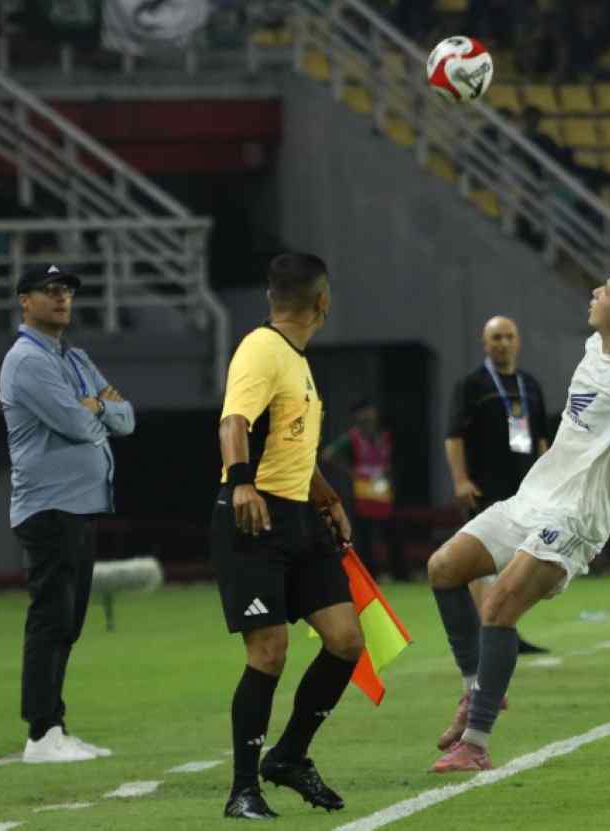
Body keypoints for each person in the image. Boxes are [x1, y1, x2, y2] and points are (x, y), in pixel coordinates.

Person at [427, 268, 610, 772]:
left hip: (575, 515)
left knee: (497, 607)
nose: (594, 292)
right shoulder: (593, 347)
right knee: (443, 568)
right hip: (531, 499)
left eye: (604, 290)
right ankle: (475, 687)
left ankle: (475, 743)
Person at [211, 252, 364, 819]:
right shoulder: (261, 348)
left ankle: (290, 757)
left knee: (346, 640)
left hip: (299, 515)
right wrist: (241, 483)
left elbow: (294, 445)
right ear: (323, 302)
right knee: (269, 652)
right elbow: (234, 422)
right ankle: (242, 790)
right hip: (253, 519)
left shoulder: (296, 359)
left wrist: (328, 497)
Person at [0, 264, 136, 764]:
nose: (62, 298)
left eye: (67, 292)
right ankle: (41, 735)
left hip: (76, 507)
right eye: (50, 290)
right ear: (25, 301)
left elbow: (126, 418)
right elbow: (77, 425)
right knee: (51, 620)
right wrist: (97, 408)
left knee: (67, 622)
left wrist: (95, 406)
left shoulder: (73, 357)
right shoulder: (26, 360)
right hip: (49, 506)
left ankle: (53, 727)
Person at [446, 315, 551, 655]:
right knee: (482, 562)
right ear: (485, 343)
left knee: (517, 561)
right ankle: (487, 634)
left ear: (517, 342)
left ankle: (504, 630)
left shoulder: (530, 385)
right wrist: (460, 480)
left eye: (508, 337)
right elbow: (453, 436)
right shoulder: (471, 385)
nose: (503, 343)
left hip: (525, 489)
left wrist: (549, 479)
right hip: (483, 488)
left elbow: (542, 439)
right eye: (496, 338)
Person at [321, 400, 410, 581]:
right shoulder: (352, 438)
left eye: (370, 412)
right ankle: (369, 574)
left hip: (384, 491)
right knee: (365, 536)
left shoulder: (384, 436)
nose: (367, 416)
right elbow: (328, 454)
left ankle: (400, 573)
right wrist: (351, 471)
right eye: (363, 413)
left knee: (392, 533)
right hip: (363, 492)